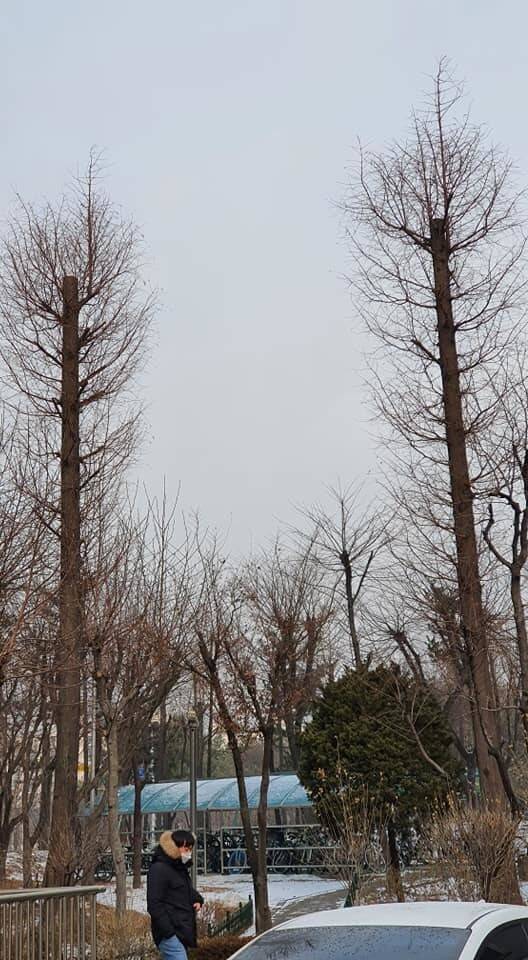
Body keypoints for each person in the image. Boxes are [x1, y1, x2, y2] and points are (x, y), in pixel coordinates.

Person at [147, 829, 204, 960]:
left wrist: (197, 899)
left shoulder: (177, 867)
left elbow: (185, 889)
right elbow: (154, 904)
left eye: (190, 848)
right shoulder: (159, 869)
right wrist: (169, 932)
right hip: (169, 933)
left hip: (180, 930)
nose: (188, 852)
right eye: (186, 848)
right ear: (175, 847)